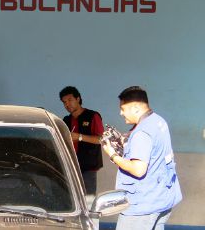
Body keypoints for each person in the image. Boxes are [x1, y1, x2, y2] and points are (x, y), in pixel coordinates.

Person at [102, 86, 182, 230]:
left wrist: (112, 155)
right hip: (162, 198)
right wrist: (126, 143)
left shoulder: (141, 133)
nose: (120, 113)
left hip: (142, 207)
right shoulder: (158, 121)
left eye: (123, 108)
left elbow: (139, 170)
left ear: (136, 108)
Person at [59, 86, 104, 199]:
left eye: (70, 100)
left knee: (88, 200)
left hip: (88, 167)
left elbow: (102, 139)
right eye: (64, 102)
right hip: (70, 166)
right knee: (70, 200)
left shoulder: (93, 116)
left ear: (78, 99)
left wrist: (79, 137)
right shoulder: (66, 120)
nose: (67, 105)